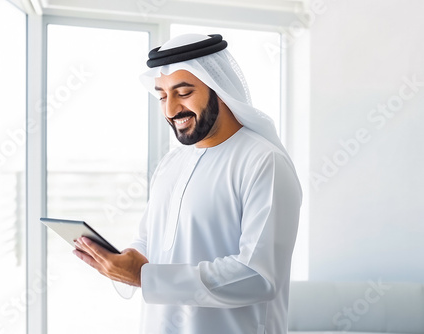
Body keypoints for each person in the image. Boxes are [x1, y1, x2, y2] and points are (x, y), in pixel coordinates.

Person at [73, 33, 302, 334]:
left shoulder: (262, 161)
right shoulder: (172, 163)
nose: (170, 110)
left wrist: (144, 277)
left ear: (219, 89)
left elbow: (257, 275)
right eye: (163, 96)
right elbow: (149, 240)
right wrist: (123, 262)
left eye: (183, 93)